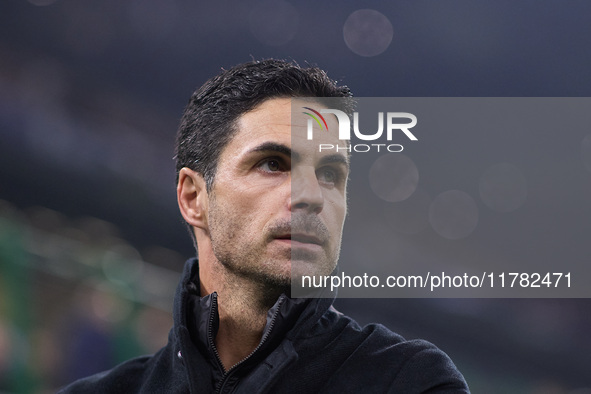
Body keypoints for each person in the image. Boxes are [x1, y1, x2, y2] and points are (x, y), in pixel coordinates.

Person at [58, 59, 470, 393]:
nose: (312, 195)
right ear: (193, 198)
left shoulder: (411, 382)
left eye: (330, 174)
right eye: (273, 164)